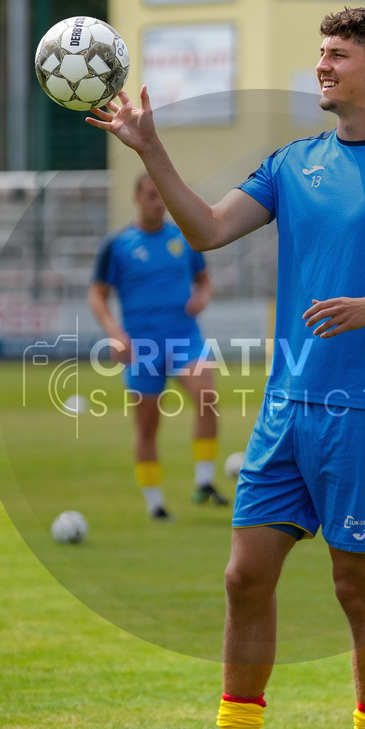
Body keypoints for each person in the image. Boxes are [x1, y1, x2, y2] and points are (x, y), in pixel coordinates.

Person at [86, 7, 365, 729]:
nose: (322, 64)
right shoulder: (293, 162)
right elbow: (208, 230)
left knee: (358, 587)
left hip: (364, 410)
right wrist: (150, 147)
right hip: (285, 407)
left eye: (338, 54)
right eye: (320, 52)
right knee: (243, 576)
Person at [88, 173, 228, 520]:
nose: (158, 202)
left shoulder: (183, 236)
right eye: (151, 195)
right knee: (148, 425)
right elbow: (97, 294)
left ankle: (204, 482)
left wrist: (202, 296)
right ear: (136, 198)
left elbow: (204, 279)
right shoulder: (118, 244)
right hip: (141, 346)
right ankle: (155, 503)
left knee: (206, 395)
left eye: (161, 195)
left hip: (184, 335)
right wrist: (114, 333)